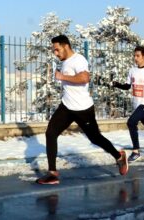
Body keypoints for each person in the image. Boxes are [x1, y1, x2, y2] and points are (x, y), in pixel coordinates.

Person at [36, 35, 128, 185]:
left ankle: (119, 156)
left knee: (95, 138)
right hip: (66, 106)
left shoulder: (78, 60)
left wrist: (62, 77)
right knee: (51, 133)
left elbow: (84, 78)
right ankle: (52, 173)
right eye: (54, 51)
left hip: (82, 108)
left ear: (66, 46)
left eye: (57, 50)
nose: (55, 53)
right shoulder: (65, 61)